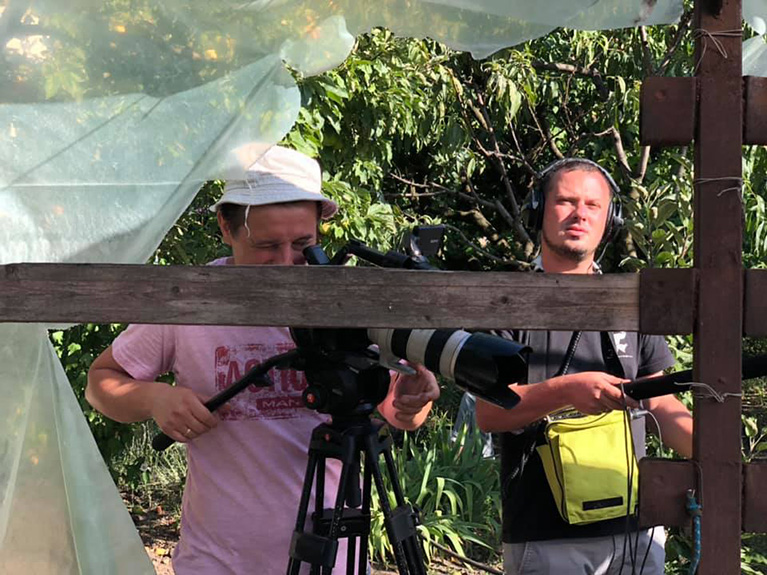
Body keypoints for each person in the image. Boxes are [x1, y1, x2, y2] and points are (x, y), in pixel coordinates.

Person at [85, 145, 440, 574]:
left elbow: (395, 414)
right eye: (267, 245)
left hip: (335, 558)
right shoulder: (191, 299)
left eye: (303, 244)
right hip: (218, 563)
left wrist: (412, 401)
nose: (287, 262)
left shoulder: (346, 301)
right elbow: (101, 382)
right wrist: (154, 399)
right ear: (226, 226)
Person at [475, 158, 693, 575]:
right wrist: (566, 390)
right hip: (544, 535)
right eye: (566, 201)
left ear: (610, 220)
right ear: (539, 208)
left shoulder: (633, 302)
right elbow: (489, 413)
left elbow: (663, 406)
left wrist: (722, 460)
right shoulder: (504, 303)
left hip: (638, 534)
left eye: (593, 205)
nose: (580, 214)